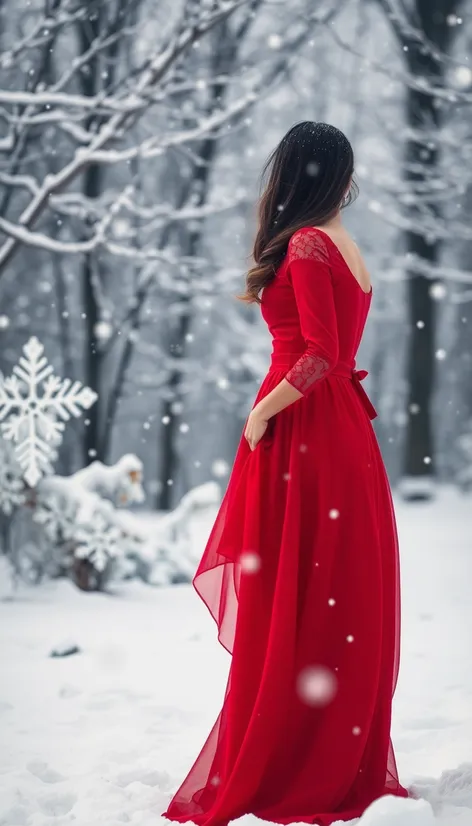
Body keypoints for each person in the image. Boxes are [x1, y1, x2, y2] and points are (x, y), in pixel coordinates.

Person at [162, 121, 409, 826]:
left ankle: (286, 762)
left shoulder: (305, 243)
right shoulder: (347, 246)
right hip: (340, 435)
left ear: (296, 174)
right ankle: (325, 753)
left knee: (290, 601)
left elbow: (321, 353)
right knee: (324, 599)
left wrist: (262, 413)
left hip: (304, 428)